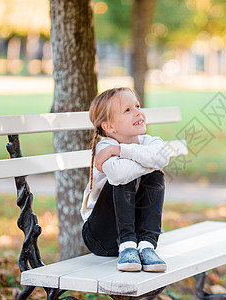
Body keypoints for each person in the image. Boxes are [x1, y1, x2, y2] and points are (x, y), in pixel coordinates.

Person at [80, 87, 170, 272]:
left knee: (155, 174)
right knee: (124, 174)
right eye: (127, 110)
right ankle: (126, 245)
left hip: (137, 233)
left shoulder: (151, 142)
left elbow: (164, 158)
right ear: (109, 126)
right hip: (101, 235)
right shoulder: (105, 146)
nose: (138, 112)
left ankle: (147, 247)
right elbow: (120, 174)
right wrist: (150, 162)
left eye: (137, 106)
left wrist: (121, 151)